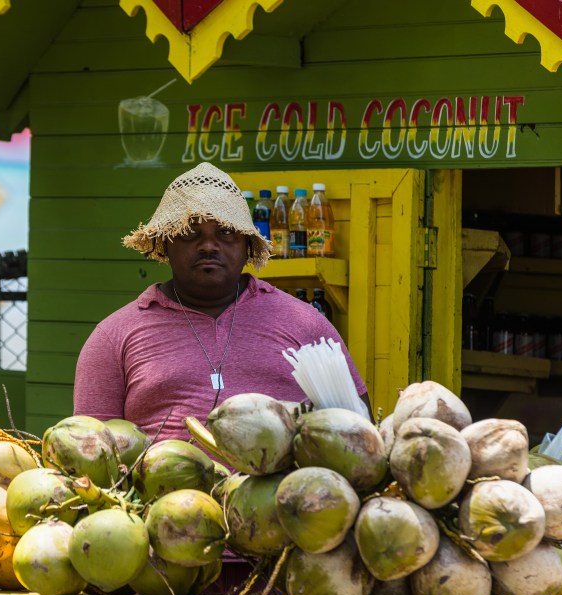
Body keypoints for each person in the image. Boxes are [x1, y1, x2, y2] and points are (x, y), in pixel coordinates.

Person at [73, 162, 369, 440]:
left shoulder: (304, 324)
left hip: (286, 494)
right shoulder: (114, 337)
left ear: (247, 246)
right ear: (165, 243)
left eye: (226, 233)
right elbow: (90, 450)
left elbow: (358, 431)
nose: (208, 245)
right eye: (190, 233)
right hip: (162, 493)